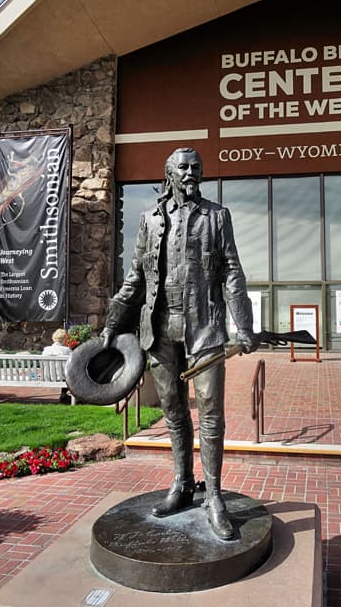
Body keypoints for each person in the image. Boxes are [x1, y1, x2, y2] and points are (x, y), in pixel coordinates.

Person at [101, 148, 257, 539]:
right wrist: (112, 323)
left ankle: (215, 496)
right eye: (184, 167)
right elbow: (135, 277)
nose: (192, 172)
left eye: (197, 167)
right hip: (160, 329)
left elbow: (232, 272)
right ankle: (182, 483)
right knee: (173, 412)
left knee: (210, 413)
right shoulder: (150, 219)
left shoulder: (217, 216)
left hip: (205, 327)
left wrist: (245, 325)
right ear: (168, 173)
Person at [43, 328, 72, 403]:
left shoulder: (46, 350)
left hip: (47, 376)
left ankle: (63, 395)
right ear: (64, 339)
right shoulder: (66, 350)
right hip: (62, 377)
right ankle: (64, 394)